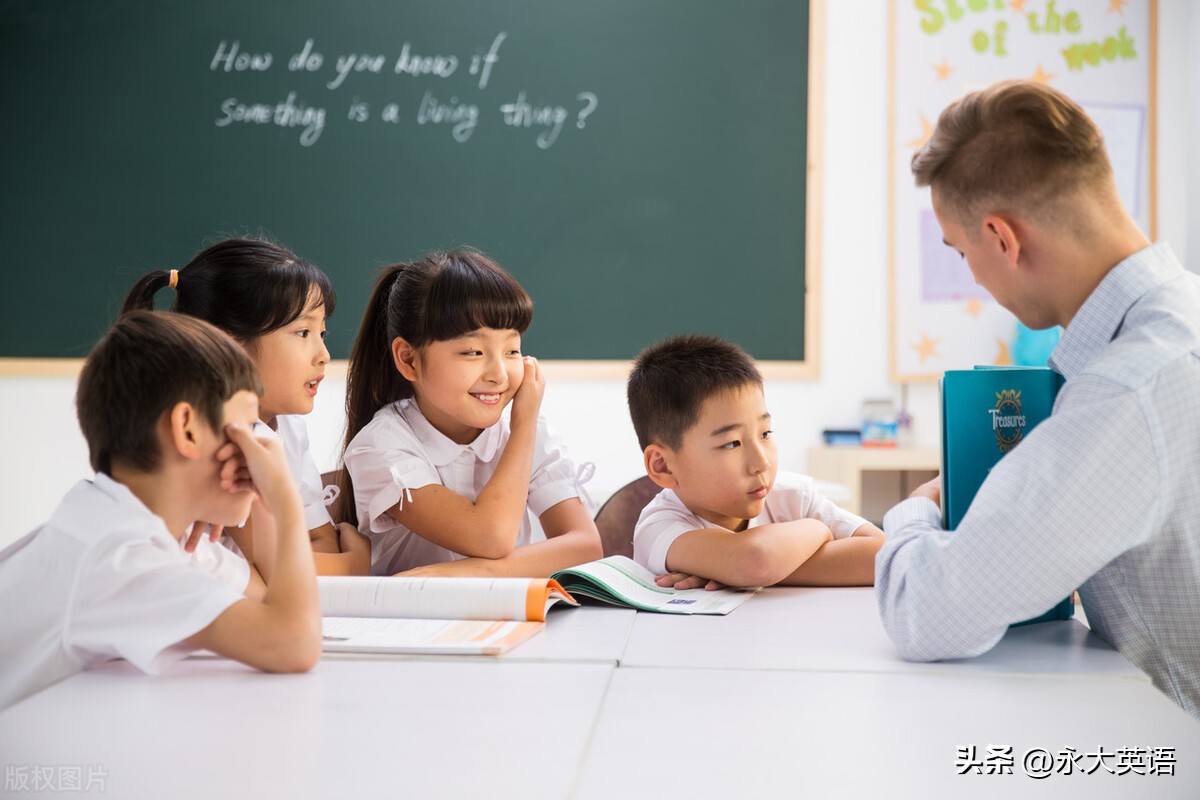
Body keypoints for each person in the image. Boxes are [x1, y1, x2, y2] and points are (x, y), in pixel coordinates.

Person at [876, 79, 1200, 717]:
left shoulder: (1124, 391)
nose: (971, 271)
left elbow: (927, 613)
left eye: (962, 251)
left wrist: (914, 511)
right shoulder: (1180, 316)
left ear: (1002, 239)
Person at [0, 311, 321, 710]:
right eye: (248, 428)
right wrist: (285, 498)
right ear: (187, 429)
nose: (262, 449)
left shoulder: (149, 532)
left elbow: (269, 598)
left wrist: (263, 503)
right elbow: (292, 643)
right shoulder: (117, 553)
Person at [340, 249, 602, 577]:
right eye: (472, 351)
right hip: (408, 622)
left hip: (501, 617)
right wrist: (523, 427)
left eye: (512, 350)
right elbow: (490, 536)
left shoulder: (524, 428)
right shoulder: (380, 445)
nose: (499, 374)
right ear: (408, 359)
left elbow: (585, 547)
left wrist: (454, 576)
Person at [121, 237, 370, 576]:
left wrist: (325, 563)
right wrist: (352, 563)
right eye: (302, 333)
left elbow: (316, 540)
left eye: (321, 334)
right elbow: (289, 569)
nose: (323, 355)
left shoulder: (287, 426)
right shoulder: (220, 438)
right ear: (228, 344)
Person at [627, 334, 883, 590]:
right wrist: (817, 529)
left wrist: (743, 570)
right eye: (731, 443)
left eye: (765, 433)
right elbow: (755, 560)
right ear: (663, 466)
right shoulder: (658, 527)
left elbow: (881, 554)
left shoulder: (793, 496)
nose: (762, 463)